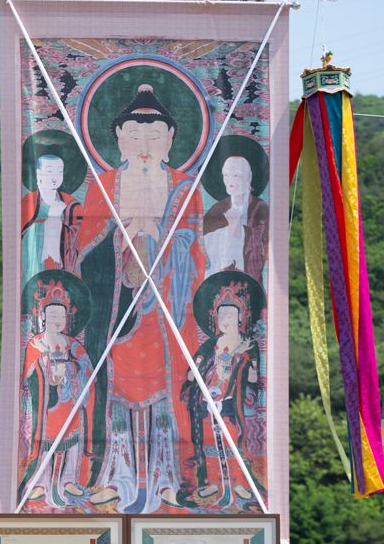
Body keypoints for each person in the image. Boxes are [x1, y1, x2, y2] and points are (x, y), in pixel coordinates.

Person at [74, 83, 207, 512]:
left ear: (170, 140)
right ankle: (116, 474)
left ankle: (168, 476)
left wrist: (166, 242)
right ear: (117, 140)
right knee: (116, 390)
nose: (144, 145)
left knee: (166, 394)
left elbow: (195, 246)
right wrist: (119, 234)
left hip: (167, 306)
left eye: (154, 136)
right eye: (133, 135)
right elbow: (85, 249)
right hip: (118, 308)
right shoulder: (103, 184)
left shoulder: (186, 186)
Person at [179, 271, 265, 507]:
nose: (225, 319)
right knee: (208, 440)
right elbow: (191, 373)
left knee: (231, 439)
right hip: (208, 400)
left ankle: (238, 483)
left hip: (231, 400)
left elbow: (253, 378)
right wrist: (199, 368)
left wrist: (244, 358)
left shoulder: (248, 345)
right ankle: (214, 483)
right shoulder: (210, 344)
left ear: (240, 316)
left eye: (230, 314)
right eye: (220, 315)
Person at [19, 279, 95, 506]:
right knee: (44, 441)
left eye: (61, 317)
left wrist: (72, 368)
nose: (57, 321)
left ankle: (67, 481)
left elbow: (88, 366)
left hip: (68, 400)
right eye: (52, 316)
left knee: (71, 440)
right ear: (42, 317)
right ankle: (41, 482)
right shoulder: (36, 342)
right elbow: (28, 372)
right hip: (47, 402)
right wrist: (47, 360)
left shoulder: (70, 342)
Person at [21, 154, 85, 286]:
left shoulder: (71, 204)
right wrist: (49, 221)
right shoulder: (28, 202)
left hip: (60, 265)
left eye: (59, 172)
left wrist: (59, 225)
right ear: (38, 174)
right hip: (36, 265)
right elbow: (21, 235)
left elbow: (78, 237)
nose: (55, 177)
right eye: (49, 171)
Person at [202, 155, 269, 281]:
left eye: (236, 175)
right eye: (226, 175)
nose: (230, 181)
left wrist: (238, 228)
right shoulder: (218, 209)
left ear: (248, 177)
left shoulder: (259, 208)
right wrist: (227, 231)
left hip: (247, 280)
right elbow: (203, 242)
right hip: (220, 279)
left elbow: (260, 245)